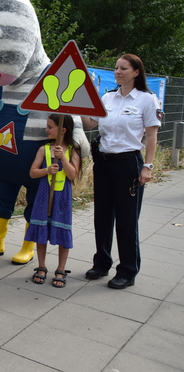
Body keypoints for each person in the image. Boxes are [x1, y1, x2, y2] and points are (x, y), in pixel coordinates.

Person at [82, 54, 160, 290]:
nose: (118, 72)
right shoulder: (108, 98)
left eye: (123, 68)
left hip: (128, 163)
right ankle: (102, 263)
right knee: (102, 216)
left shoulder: (147, 100)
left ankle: (127, 270)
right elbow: (90, 124)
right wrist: (81, 106)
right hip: (104, 162)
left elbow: (151, 136)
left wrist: (147, 166)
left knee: (127, 220)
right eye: (116, 68)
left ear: (136, 72)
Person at [26, 114, 81, 288]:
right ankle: (41, 266)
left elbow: (72, 175)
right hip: (44, 195)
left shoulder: (73, 150)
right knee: (41, 229)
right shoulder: (44, 149)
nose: (46, 129)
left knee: (63, 229)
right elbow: (33, 173)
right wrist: (47, 170)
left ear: (62, 130)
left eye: (50, 127)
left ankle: (61, 269)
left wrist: (63, 157)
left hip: (62, 197)